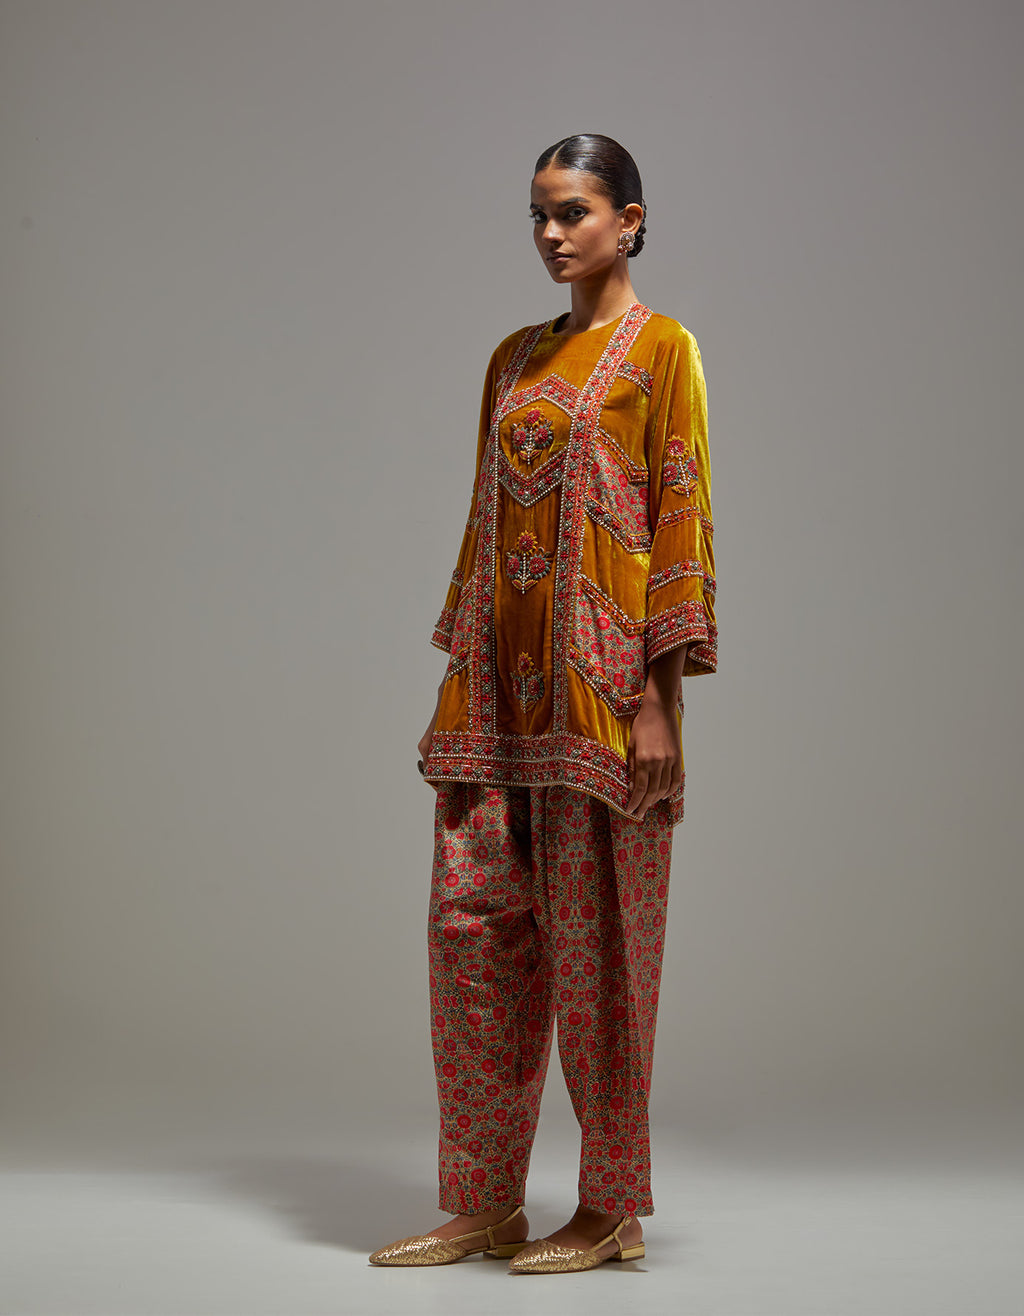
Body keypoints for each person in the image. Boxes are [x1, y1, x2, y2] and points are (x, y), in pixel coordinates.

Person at [369, 133, 717, 1275]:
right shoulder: (511, 359)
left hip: (604, 704)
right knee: (472, 944)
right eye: (538, 215)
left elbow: (679, 516)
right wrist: (457, 677)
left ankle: (610, 1208)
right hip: (496, 701)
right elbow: (485, 520)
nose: (552, 233)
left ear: (630, 221)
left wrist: (660, 700)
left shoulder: (662, 350)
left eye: (573, 211)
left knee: (602, 959)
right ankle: (483, 1201)